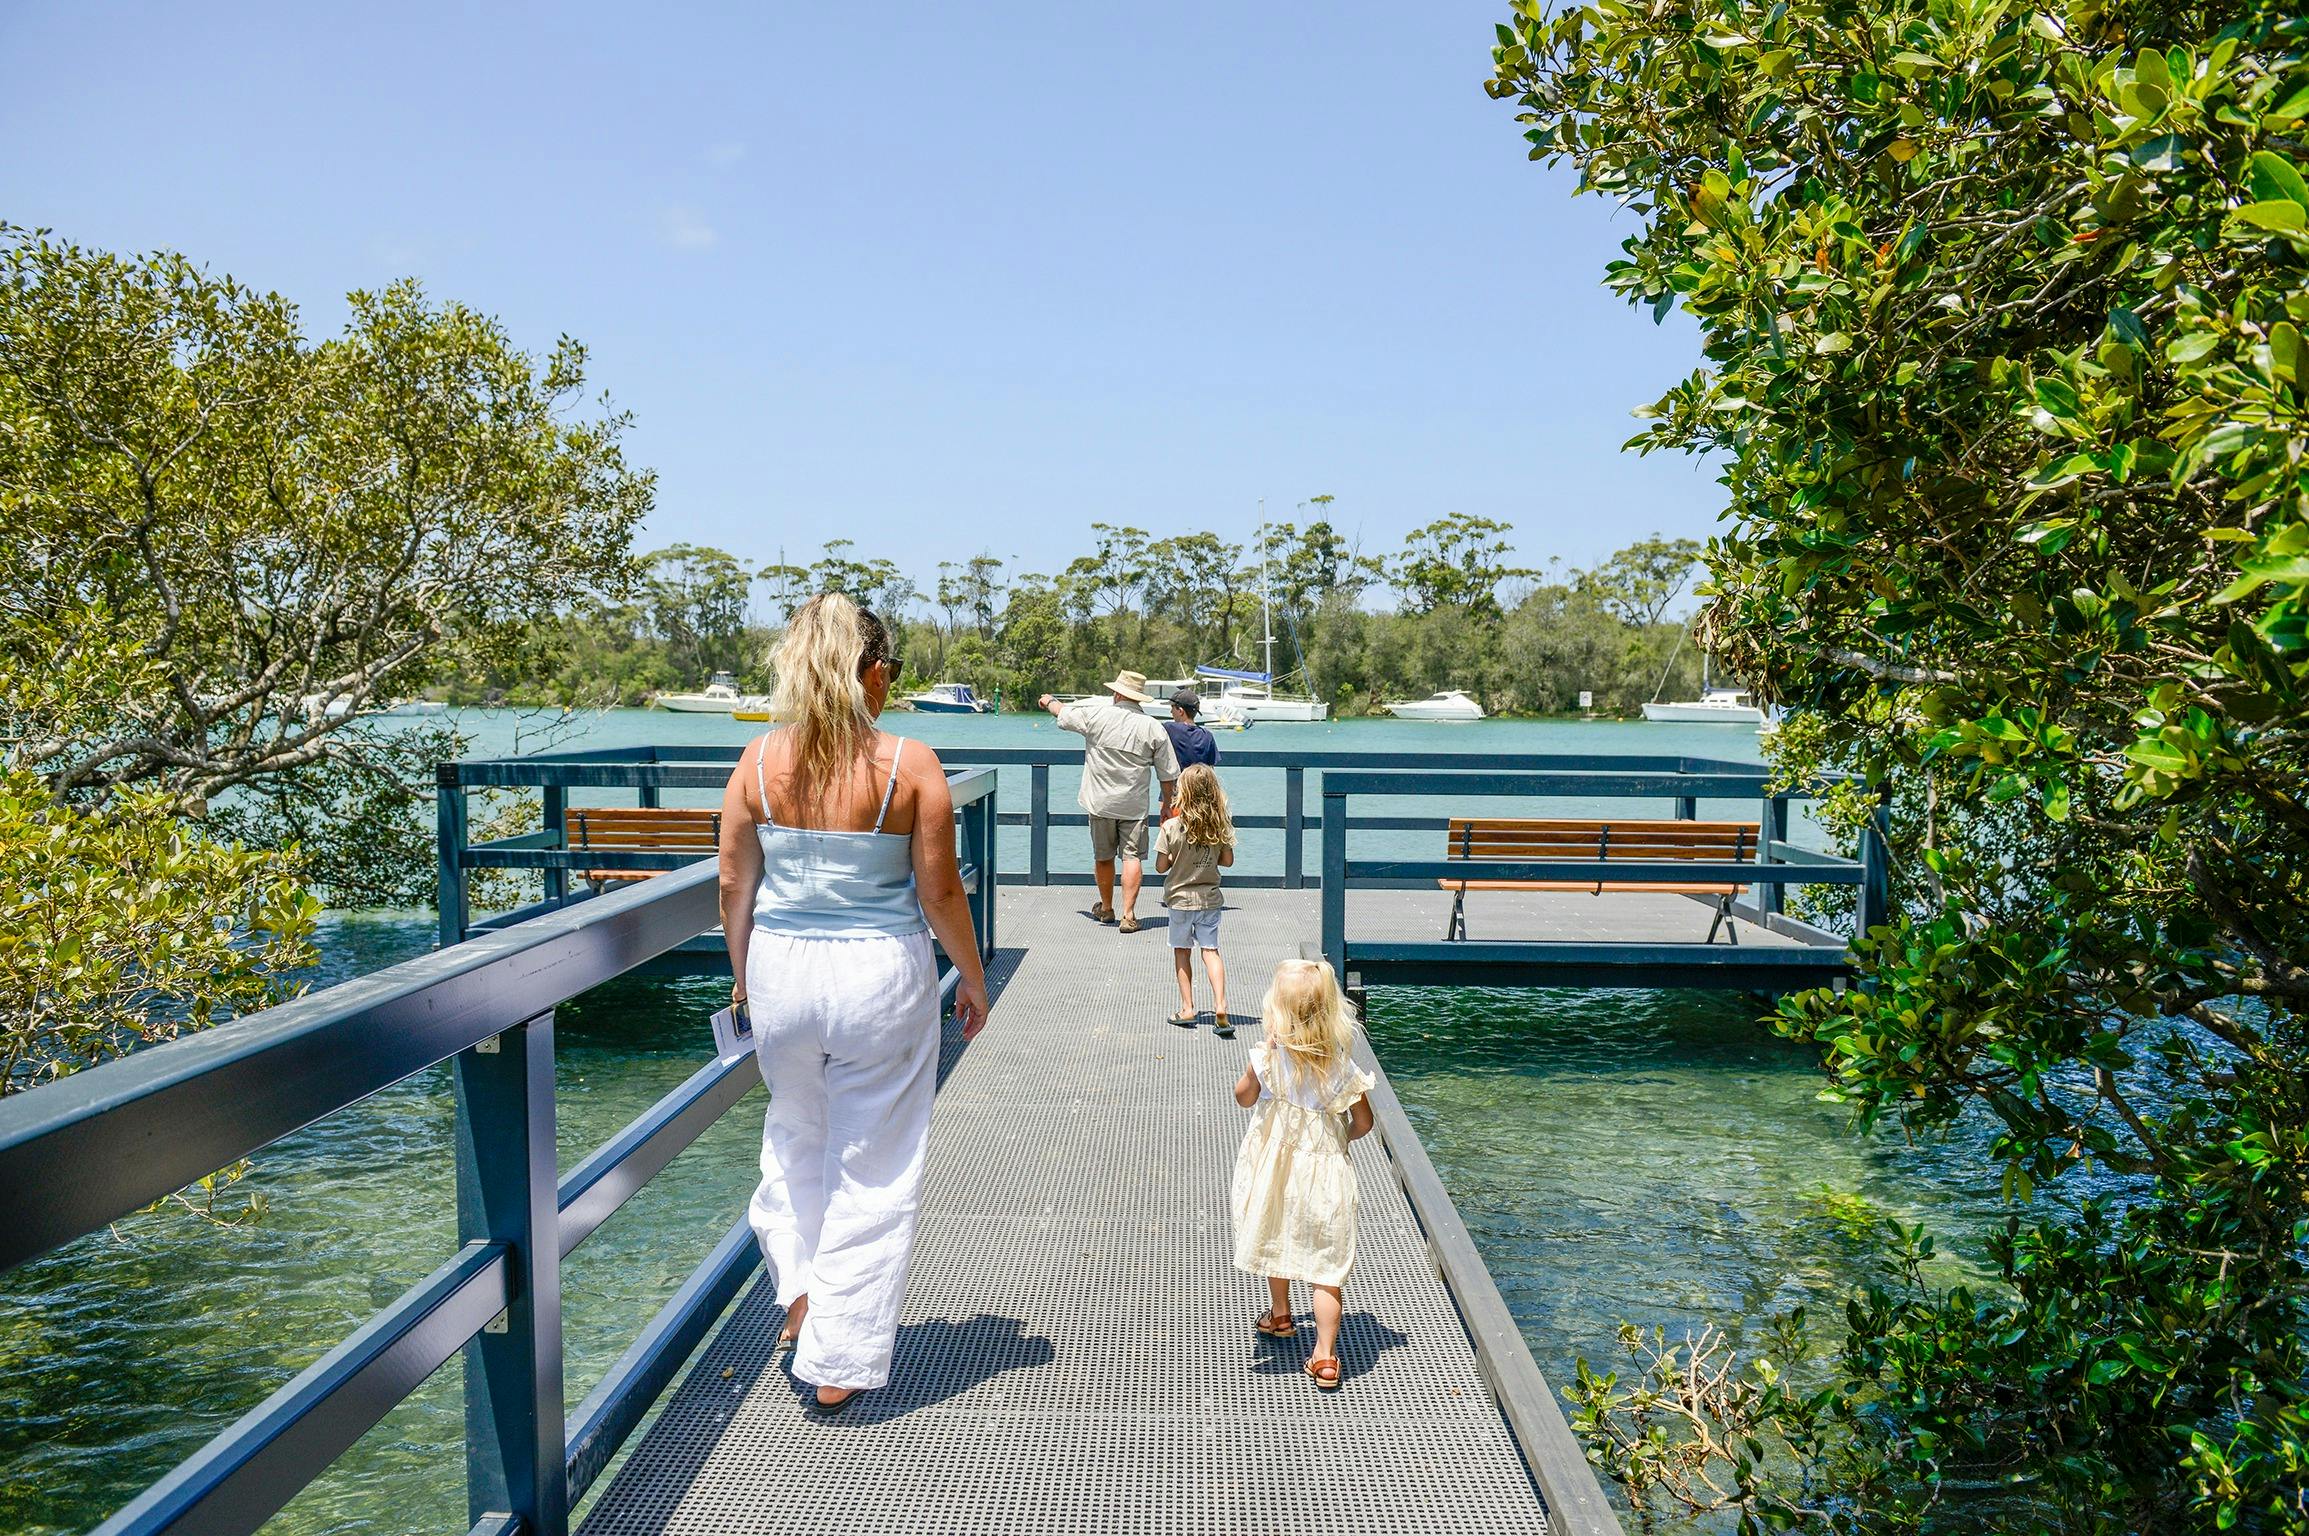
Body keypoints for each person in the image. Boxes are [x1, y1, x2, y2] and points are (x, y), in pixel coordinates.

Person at [718, 593, 993, 1414]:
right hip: (878, 974)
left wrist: (745, 979)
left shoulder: (757, 762)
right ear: (871, 674)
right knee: (872, 1165)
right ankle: (838, 1358)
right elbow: (939, 891)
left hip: (780, 973)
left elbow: (735, 883)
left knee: (794, 1137)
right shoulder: (909, 765)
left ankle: (801, 1296)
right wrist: (972, 977)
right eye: (891, 671)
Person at [1231, 959, 1376, 1392]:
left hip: (1275, 1173)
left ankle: (1279, 1315)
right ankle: (1326, 1356)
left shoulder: (1268, 1058)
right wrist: (1339, 1141)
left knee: (1279, 1235)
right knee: (1327, 1267)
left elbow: (1242, 1098)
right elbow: (1364, 1122)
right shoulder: (1340, 1067)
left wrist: (1262, 1061)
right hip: (1324, 1174)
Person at [1036, 671, 1179, 932]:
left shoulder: (1097, 715)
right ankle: (1129, 914)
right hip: (1134, 805)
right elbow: (1168, 775)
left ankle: (1106, 908)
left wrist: (1048, 701)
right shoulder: (1153, 727)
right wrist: (1167, 806)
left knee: (1103, 857)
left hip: (1100, 802)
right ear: (1138, 698)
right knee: (1132, 857)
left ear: (1117, 693)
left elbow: (1063, 714)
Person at [1155, 762, 1234, 1032]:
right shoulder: (1220, 824)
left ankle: (1188, 1009)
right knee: (1211, 951)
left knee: (1182, 951)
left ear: (1183, 793)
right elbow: (1228, 861)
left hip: (1179, 900)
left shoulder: (1171, 827)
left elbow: (1160, 867)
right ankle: (1220, 1005)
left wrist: (1175, 855)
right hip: (1210, 899)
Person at [1164, 688, 1220, 770]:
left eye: (1172, 708)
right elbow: (1211, 767)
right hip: (1200, 782)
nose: (1171, 712)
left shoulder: (1170, 729)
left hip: (1178, 782)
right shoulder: (1207, 736)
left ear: (1180, 711)